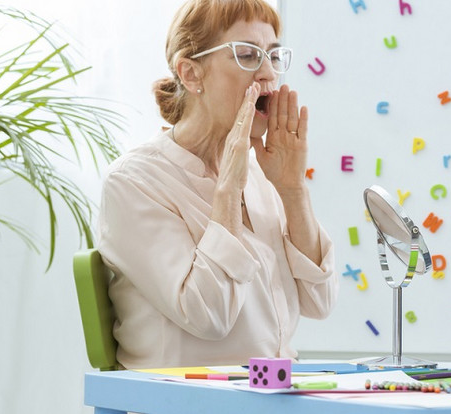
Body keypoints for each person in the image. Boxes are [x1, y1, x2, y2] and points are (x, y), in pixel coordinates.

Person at [98, 0, 338, 369]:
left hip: (271, 395)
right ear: (191, 74)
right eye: (246, 54)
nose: (267, 75)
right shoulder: (133, 182)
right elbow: (207, 316)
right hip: (181, 401)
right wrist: (226, 193)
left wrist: (292, 191)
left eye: (273, 57)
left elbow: (320, 302)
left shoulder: (263, 175)